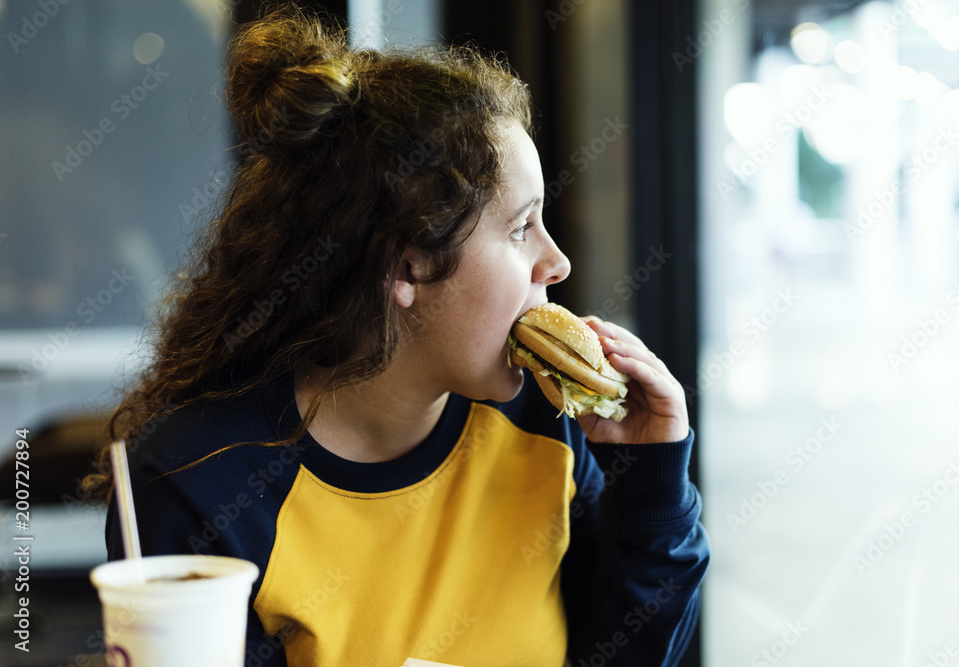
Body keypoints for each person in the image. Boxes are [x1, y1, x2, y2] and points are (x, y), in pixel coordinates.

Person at [85, 6, 709, 666]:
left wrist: (655, 479)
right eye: (522, 227)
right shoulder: (198, 483)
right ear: (406, 263)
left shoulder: (544, 428)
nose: (557, 263)